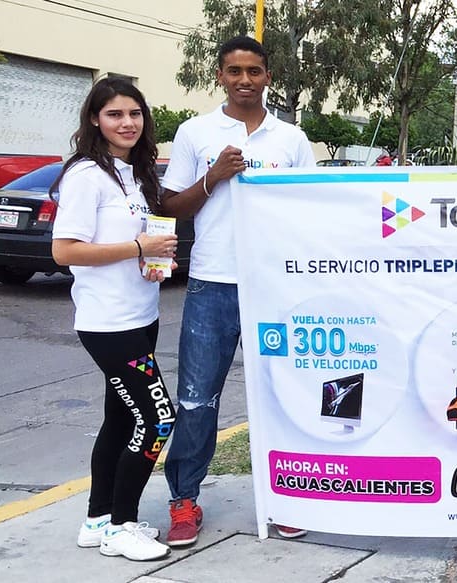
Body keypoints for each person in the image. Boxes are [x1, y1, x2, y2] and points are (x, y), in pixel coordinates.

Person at [159, 35, 316, 547]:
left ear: (268, 76)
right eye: (234, 71)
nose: (244, 80)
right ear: (221, 76)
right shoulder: (195, 132)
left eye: (254, 71)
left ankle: (288, 497)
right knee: (197, 398)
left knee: (283, 395)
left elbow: (313, 208)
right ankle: (184, 499)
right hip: (213, 284)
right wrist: (214, 177)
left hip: (275, 284)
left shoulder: (291, 138)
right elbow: (172, 206)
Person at [50, 78, 179, 561]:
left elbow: (137, 243)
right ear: (94, 119)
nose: (127, 123)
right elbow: (65, 251)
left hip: (141, 315)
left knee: (122, 419)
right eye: (115, 114)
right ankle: (122, 526)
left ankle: (98, 519)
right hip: (109, 324)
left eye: (135, 113)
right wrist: (137, 247)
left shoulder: (135, 174)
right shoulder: (87, 175)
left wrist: (153, 260)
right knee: (159, 418)